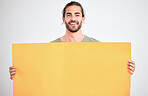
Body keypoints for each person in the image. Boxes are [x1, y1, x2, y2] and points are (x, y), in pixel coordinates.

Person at [9, 1, 135, 80]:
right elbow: (39, 74)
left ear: (83, 18)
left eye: (77, 14)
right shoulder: (50, 48)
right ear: (63, 19)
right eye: (68, 15)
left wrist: (125, 69)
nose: (73, 18)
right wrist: (19, 72)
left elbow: (108, 72)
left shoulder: (97, 46)